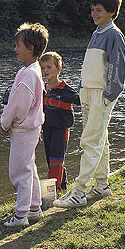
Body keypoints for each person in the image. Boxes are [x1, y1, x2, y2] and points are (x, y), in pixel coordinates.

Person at [54, 0, 125, 209]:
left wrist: (108, 96)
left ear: (112, 12)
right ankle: (102, 185)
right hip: (88, 93)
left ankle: (80, 191)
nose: (95, 14)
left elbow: (117, 68)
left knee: (89, 141)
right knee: (100, 139)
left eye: (100, 10)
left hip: (101, 95)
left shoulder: (114, 35)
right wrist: (81, 89)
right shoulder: (96, 33)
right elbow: (90, 66)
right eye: (93, 10)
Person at [0, 23, 49, 227]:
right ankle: (34, 207)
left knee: (19, 171)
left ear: (30, 48)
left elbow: (18, 105)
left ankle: (21, 215)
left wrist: (5, 123)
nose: (15, 49)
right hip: (32, 128)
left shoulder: (28, 74)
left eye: (18, 45)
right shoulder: (33, 70)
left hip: (22, 129)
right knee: (29, 167)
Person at [40, 51, 79, 194]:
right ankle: (63, 188)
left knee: (56, 161)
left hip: (61, 130)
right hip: (46, 130)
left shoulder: (66, 90)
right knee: (52, 161)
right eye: (43, 68)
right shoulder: (42, 88)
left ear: (59, 69)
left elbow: (82, 101)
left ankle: (52, 193)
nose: (45, 71)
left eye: (49, 67)